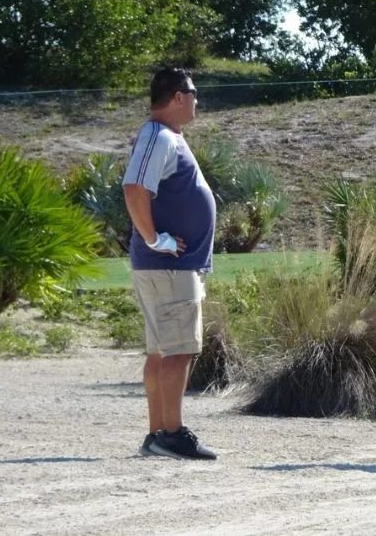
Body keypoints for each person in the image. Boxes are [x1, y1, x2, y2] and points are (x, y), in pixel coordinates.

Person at [122, 67, 217, 460]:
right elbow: (134, 187)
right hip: (168, 268)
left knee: (162, 352)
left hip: (166, 267)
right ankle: (172, 434)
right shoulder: (158, 135)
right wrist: (154, 239)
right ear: (178, 96)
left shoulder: (166, 137)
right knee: (177, 351)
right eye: (194, 93)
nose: (197, 101)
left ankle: (158, 434)